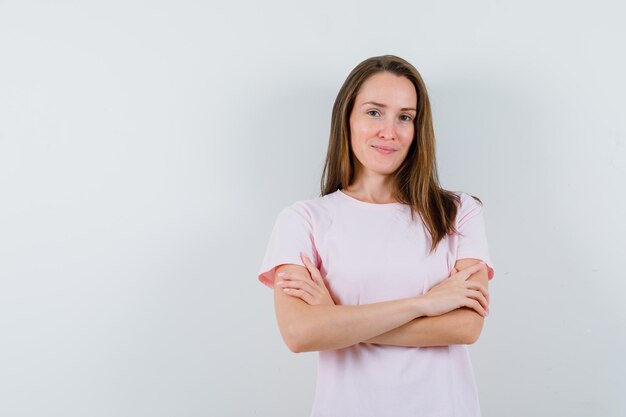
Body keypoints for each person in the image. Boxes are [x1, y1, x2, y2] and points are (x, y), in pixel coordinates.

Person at [257, 55, 495, 417]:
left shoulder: (459, 212)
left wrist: (336, 320)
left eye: (405, 117)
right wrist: (424, 304)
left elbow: (466, 326)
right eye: (374, 112)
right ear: (346, 118)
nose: (390, 131)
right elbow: (300, 333)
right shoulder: (303, 220)